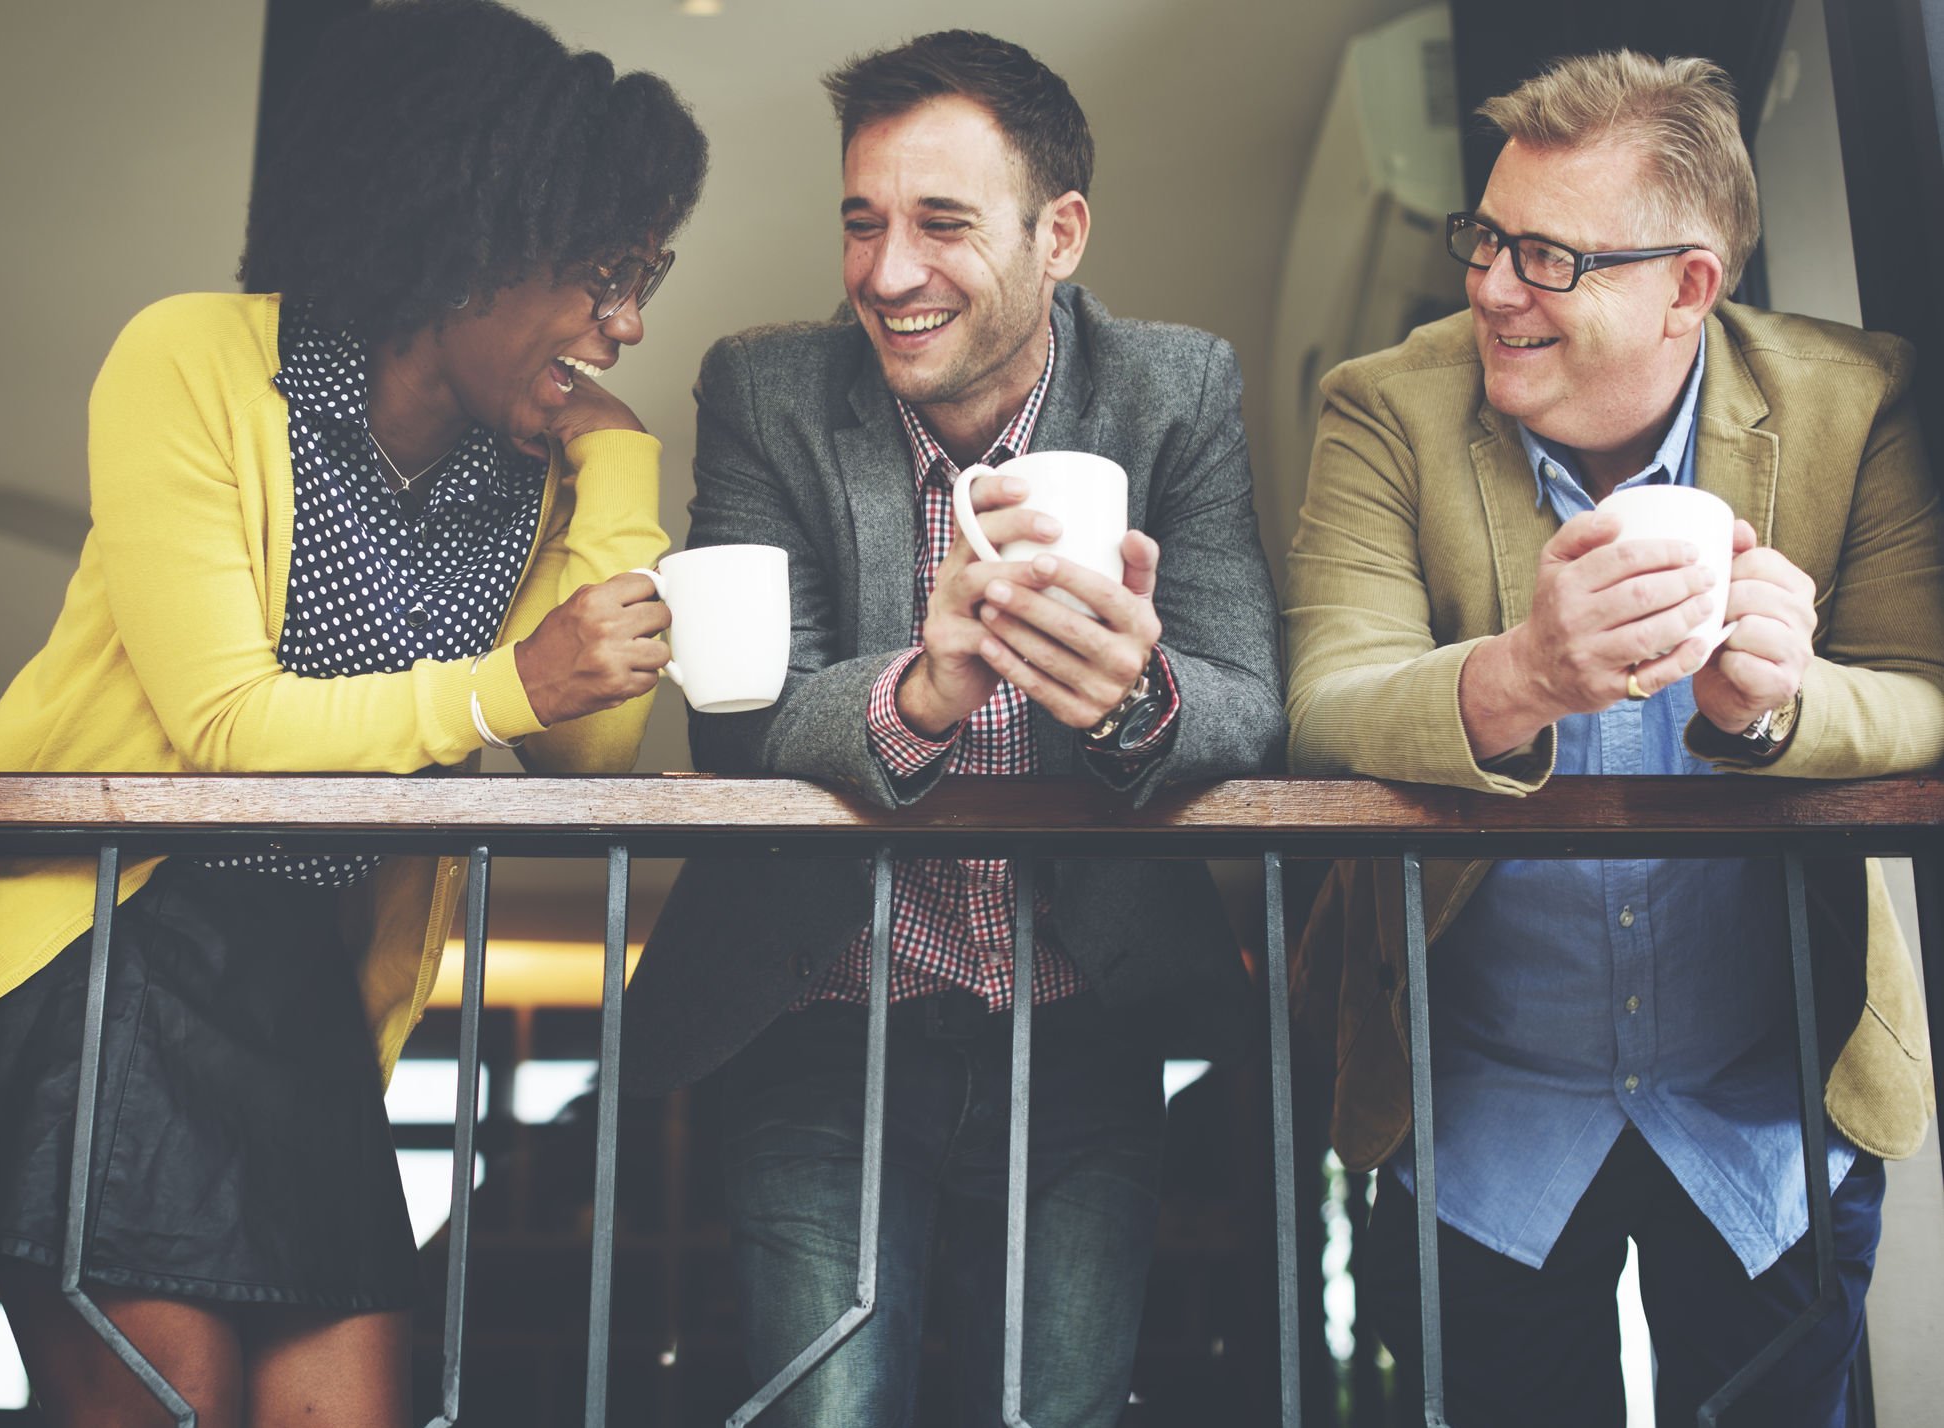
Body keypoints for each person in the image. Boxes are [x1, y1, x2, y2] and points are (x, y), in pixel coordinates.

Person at [0, 4, 706, 1422]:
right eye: (601, 275)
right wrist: (505, 687)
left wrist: (622, 479)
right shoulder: (201, 362)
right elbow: (226, 728)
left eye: (645, 276)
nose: (627, 323)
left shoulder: (526, 470)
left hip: (297, 995)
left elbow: (584, 749)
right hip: (103, 946)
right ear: (475, 239)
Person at [625, 31, 1285, 1426]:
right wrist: (921, 689)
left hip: (1086, 1014)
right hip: (821, 1011)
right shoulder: (766, 388)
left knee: (1061, 1411)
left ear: (1062, 234)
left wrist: (1135, 694)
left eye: (941, 224)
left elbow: (1249, 697)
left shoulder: (1180, 389)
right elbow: (738, 722)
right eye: (862, 222)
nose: (886, 272)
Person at [1285, 50, 1944, 1428]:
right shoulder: (1383, 408)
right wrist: (1520, 676)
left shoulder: (1849, 399)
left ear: (1688, 287)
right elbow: (1328, 696)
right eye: (1486, 236)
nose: (1489, 286)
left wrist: (1777, 704)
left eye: (1545, 256)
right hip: (1479, 1121)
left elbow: (1924, 688)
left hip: (1768, 1116)